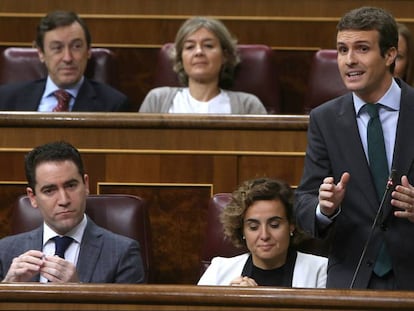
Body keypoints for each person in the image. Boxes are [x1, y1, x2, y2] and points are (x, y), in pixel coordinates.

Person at [295, 6, 414, 290]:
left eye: (361, 48)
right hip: (353, 279)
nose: (349, 60)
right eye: (342, 49)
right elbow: (304, 201)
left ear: (389, 55)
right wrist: (324, 207)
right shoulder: (324, 119)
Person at [0, 141, 144, 283]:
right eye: (49, 190)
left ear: (86, 185)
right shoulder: (5, 251)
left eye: (71, 186)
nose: (64, 200)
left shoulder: (122, 253)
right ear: (33, 197)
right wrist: (7, 291)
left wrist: (77, 293)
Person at [198, 178, 327, 287]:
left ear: (291, 226)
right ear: (242, 230)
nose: (264, 235)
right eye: (253, 227)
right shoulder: (218, 270)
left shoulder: (320, 271)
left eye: (274, 225)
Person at [0, 10, 129, 112]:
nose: (67, 58)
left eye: (76, 46)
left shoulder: (114, 104)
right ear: (41, 53)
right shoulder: (6, 99)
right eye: (57, 48)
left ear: (88, 50)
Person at [139, 16, 267, 114]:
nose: (199, 52)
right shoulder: (157, 100)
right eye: (190, 47)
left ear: (225, 55)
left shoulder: (248, 105)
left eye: (208, 45)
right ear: (180, 58)